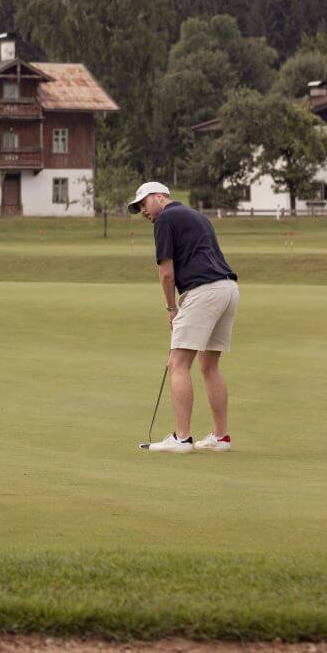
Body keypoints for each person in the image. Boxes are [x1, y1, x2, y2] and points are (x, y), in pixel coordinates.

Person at [128, 181, 239, 453]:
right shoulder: (198, 216)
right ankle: (221, 437)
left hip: (202, 291)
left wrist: (171, 308)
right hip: (228, 290)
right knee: (209, 364)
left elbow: (166, 272)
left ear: (160, 197)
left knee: (178, 363)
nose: (143, 210)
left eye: (144, 203)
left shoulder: (165, 219)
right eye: (139, 207)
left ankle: (182, 437)